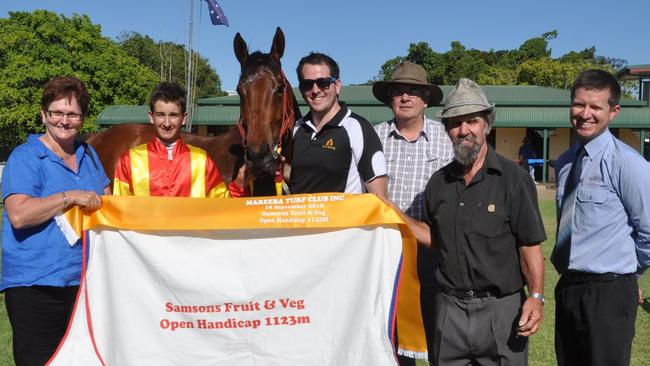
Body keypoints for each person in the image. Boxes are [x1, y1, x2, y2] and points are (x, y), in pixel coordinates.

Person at [401, 78, 546, 365]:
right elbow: (434, 238)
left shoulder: (513, 180)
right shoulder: (438, 183)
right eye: (455, 123)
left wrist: (536, 296)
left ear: (486, 126)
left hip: (501, 311)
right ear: (447, 130)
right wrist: (392, 216)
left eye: (472, 121)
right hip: (449, 309)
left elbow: (529, 246)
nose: (463, 130)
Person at [1, 76, 110, 366]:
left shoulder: (89, 154)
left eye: (73, 114)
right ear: (43, 114)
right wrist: (69, 196)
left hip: (85, 283)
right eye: (57, 113)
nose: (64, 121)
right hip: (36, 286)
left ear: (82, 118)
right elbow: (19, 215)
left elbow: (108, 202)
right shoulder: (25, 157)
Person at [551, 69, 650, 366]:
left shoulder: (628, 164)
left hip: (609, 292)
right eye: (579, 104)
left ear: (614, 111)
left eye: (595, 107)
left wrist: (627, 271)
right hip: (568, 287)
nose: (585, 114)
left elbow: (648, 230)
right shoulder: (566, 162)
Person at [372, 60, 453, 364]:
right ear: (390, 98)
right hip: (387, 253)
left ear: (426, 99)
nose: (405, 97)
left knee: (439, 335)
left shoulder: (447, 139)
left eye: (413, 92)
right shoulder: (373, 139)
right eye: (398, 91)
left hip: (434, 250)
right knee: (393, 341)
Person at [113, 82, 246, 197]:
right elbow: (120, 209)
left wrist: (239, 185)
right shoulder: (129, 160)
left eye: (174, 115)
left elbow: (221, 209)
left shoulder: (201, 160)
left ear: (184, 118)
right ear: (151, 117)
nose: (166, 123)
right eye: (160, 115)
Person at [288, 52, 388, 197]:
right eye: (307, 84)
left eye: (323, 83)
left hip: (347, 220)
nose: (316, 90)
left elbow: (380, 196)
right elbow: (300, 177)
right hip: (301, 219)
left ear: (337, 86)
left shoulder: (357, 128)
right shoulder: (297, 128)